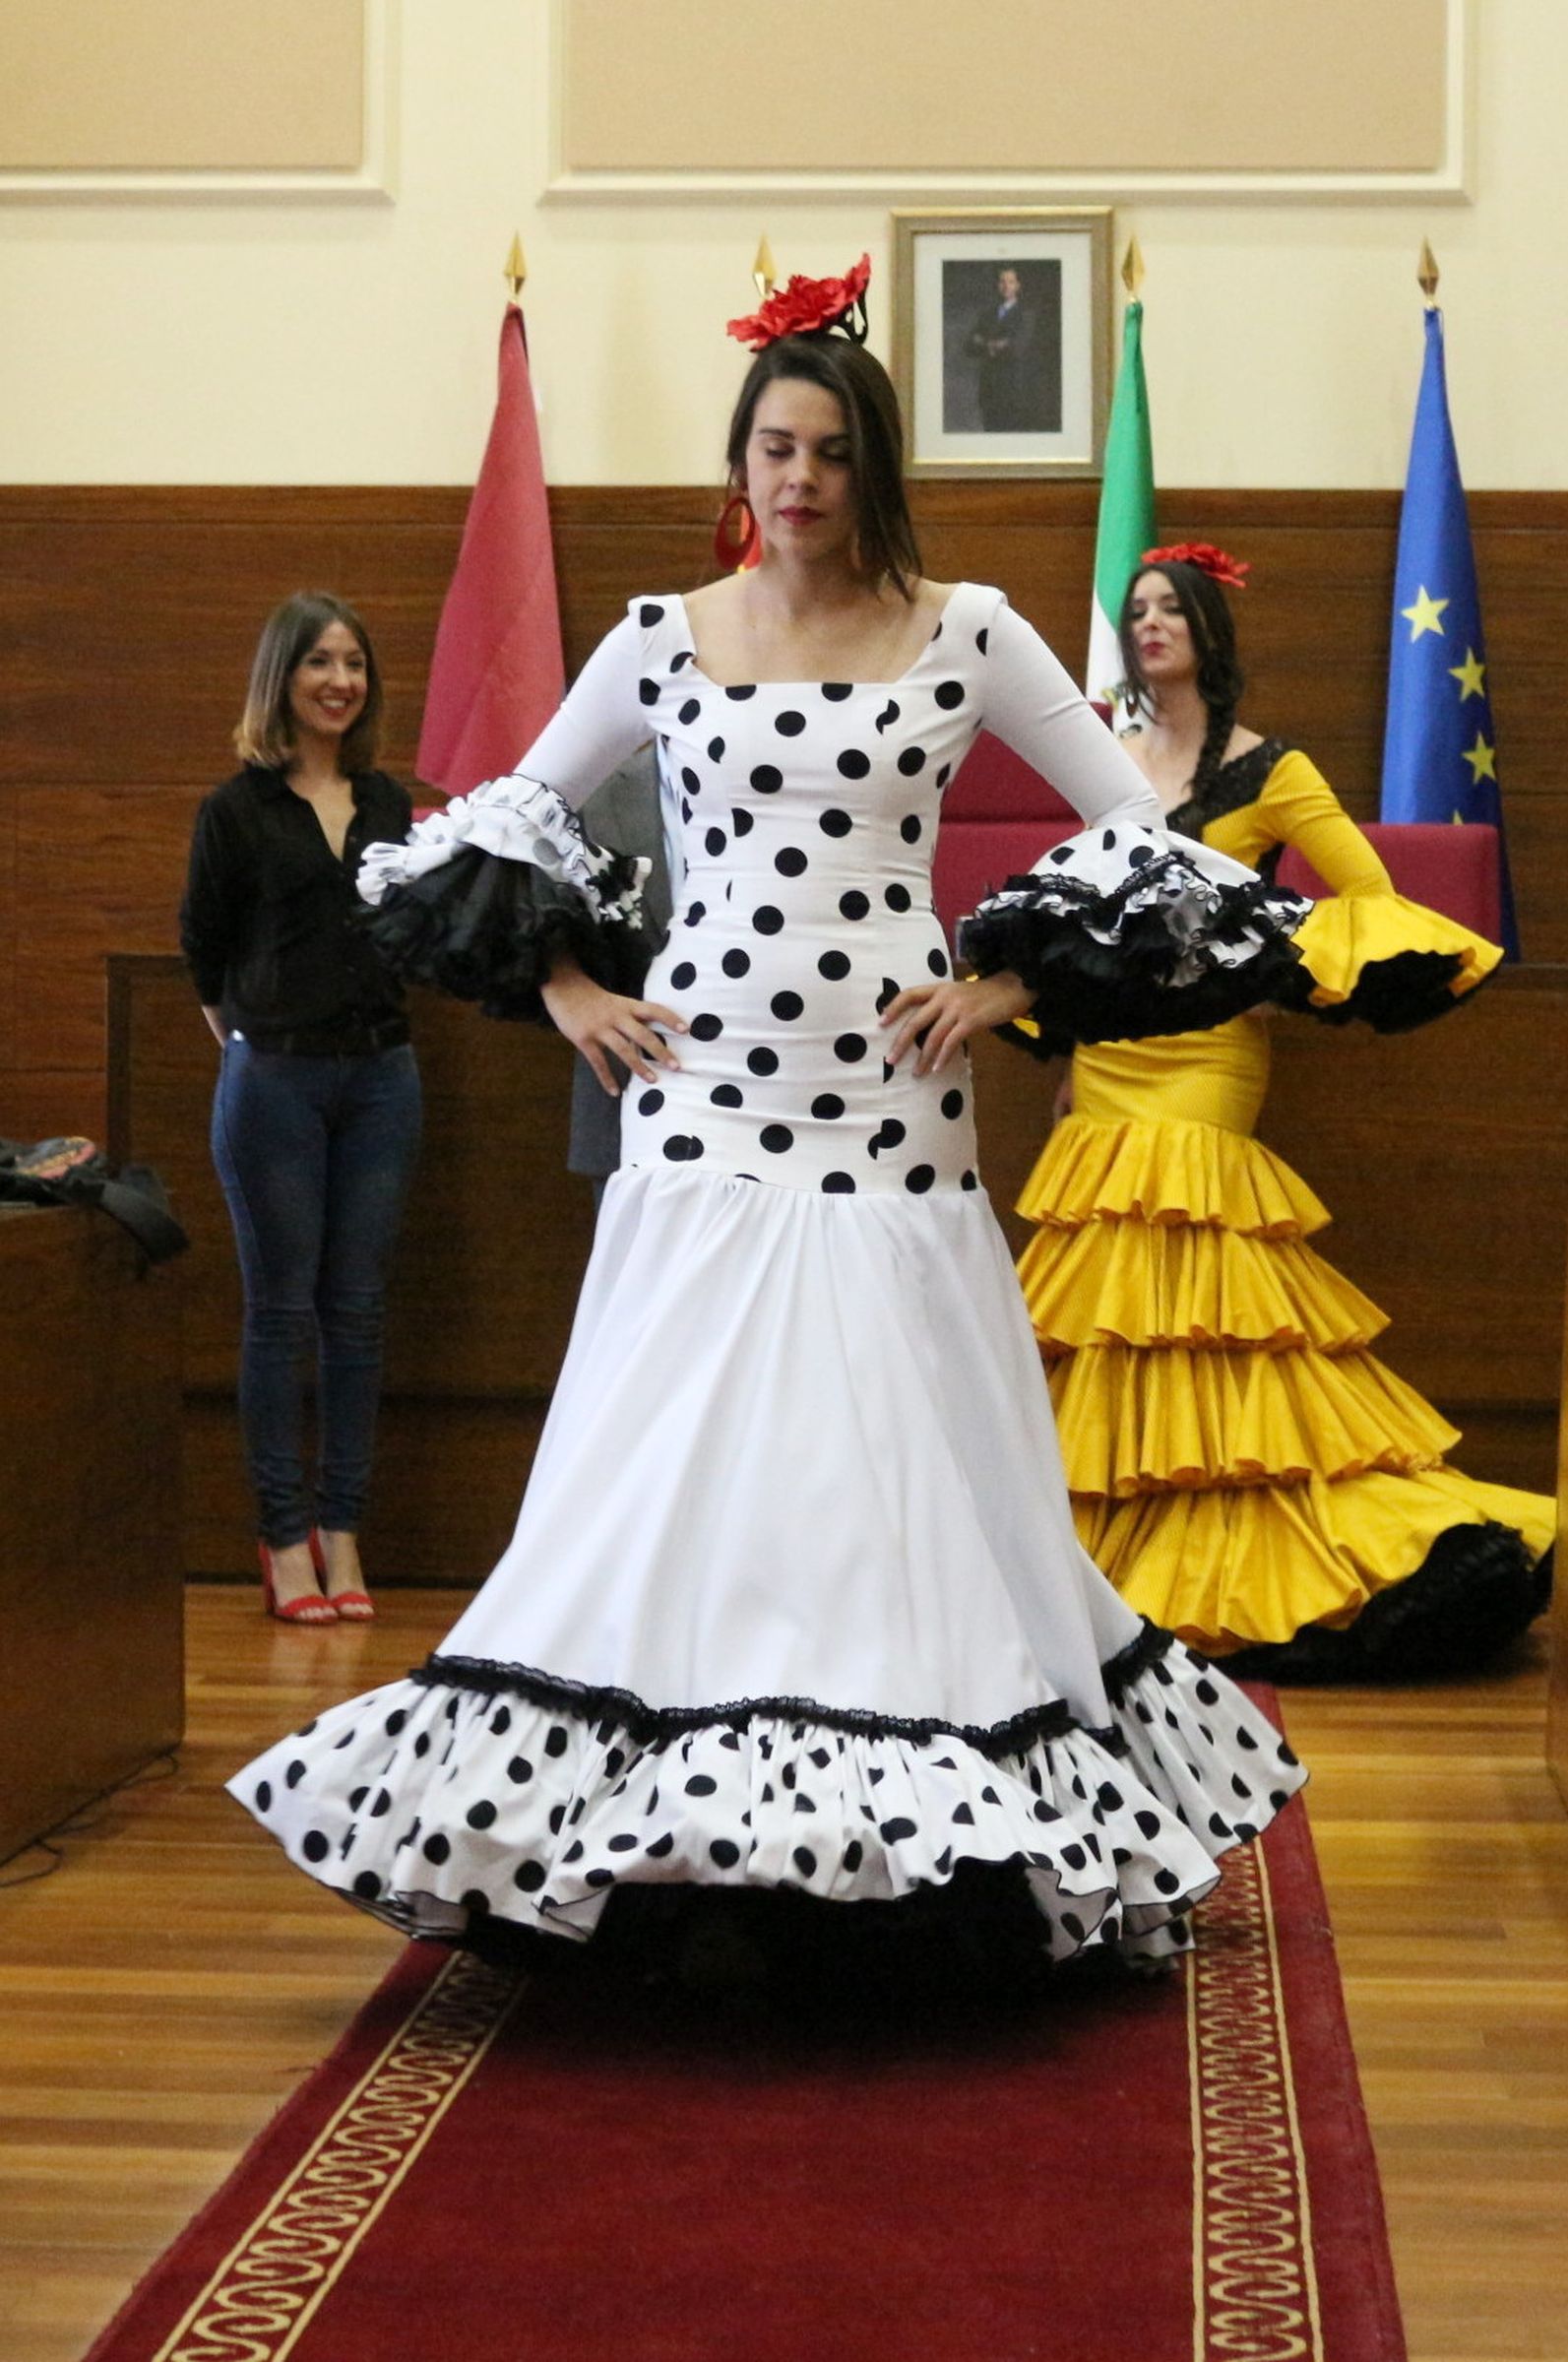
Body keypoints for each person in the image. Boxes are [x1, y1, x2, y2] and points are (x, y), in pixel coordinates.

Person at [227, 268, 1310, 1977]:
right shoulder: (661, 632)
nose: (794, 480)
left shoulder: (970, 627)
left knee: (897, 1452)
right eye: (770, 449)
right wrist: (572, 990)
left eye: (823, 452)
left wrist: (1009, 988)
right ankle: (665, 1840)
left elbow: (1146, 828)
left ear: (874, 465)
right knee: (680, 1444)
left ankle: (933, 1848)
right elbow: (497, 814)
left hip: (893, 1105)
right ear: (743, 463)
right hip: (704, 1095)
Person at [1012, 545, 1555, 1681]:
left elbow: (1364, 893)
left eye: (1171, 608)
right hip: (1107, 1063)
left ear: (1211, 632)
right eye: (1138, 610)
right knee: (1110, 1301)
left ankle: (1262, 1541)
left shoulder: (1272, 768)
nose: (1150, 623)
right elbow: (1076, 915)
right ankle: (1109, 1557)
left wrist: (1251, 942)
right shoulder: (1103, 763)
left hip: (1210, 1058)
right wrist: (1065, 1043)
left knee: (1212, 1297)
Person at [180, 593, 422, 1625]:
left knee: (356, 1314)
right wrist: (257, 1042)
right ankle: (284, 1539)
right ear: (281, 678)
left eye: (354, 663)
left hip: (380, 1080)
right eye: (319, 661)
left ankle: (344, 1528)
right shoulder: (233, 810)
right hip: (273, 1079)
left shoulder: (390, 804)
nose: (339, 680)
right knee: (280, 1315)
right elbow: (204, 951)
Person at [567, 746, 674, 1206]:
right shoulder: (595, 784)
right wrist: (564, 983)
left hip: (793, 1112)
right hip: (631, 1099)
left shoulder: (812, 781)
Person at [964, 266, 1040, 433]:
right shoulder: (987, 315)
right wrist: (996, 344)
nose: (1006, 286)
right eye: (1002, 282)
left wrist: (984, 343)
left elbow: (1017, 348)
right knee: (990, 433)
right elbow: (969, 346)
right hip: (989, 389)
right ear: (998, 285)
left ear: (1018, 286)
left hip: (1012, 389)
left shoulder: (1025, 315)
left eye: (1011, 282)